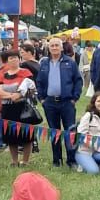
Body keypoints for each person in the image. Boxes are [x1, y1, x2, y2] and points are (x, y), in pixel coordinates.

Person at [36, 36, 82, 168]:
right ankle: (57, 160)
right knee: (54, 132)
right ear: (48, 48)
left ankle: (71, 160)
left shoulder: (70, 62)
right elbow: (39, 82)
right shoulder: (44, 63)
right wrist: (42, 99)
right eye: (52, 46)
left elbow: (78, 81)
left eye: (57, 45)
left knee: (70, 131)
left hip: (67, 102)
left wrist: (75, 98)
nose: (55, 48)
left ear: (62, 47)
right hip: (50, 102)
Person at [0, 50, 37, 168]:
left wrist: (18, 95)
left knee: (26, 135)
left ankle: (26, 161)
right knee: (10, 135)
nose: (13, 60)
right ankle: (14, 160)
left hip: (23, 108)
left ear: (19, 59)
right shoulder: (3, 74)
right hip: (7, 108)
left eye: (15, 58)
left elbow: (29, 89)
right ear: (7, 61)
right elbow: (0, 92)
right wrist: (12, 96)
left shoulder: (26, 72)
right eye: (10, 58)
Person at [75, 90, 100, 174]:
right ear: (94, 102)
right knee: (94, 172)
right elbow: (81, 135)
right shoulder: (88, 116)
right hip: (84, 151)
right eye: (98, 101)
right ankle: (82, 163)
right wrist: (96, 147)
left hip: (99, 151)